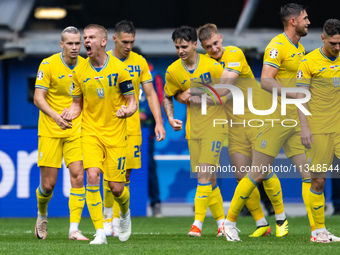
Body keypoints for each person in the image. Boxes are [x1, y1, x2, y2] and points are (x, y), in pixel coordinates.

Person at [223, 3, 315, 241]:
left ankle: (318, 232)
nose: (308, 22)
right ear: (293, 21)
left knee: (310, 175)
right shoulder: (277, 46)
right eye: (305, 18)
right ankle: (230, 223)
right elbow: (266, 81)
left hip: (294, 120)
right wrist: (294, 94)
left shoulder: (299, 48)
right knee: (257, 174)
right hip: (274, 120)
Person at [62, 24, 137, 244]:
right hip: (90, 132)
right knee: (92, 175)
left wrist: (126, 111)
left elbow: (132, 102)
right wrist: (68, 115)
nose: (86, 41)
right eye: (85, 37)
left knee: (116, 189)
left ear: (104, 42)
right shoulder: (79, 72)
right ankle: (100, 232)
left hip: (115, 134)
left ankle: (124, 213)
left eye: (91, 37)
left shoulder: (120, 69)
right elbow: (78, 105)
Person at [196, 23, 271, 237]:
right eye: (208, 46)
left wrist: (195, 92)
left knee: (260, 174)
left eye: (216, 43)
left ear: (221, 38)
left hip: (257, 119)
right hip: (235, 126)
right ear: (202, 47)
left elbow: (224, 89)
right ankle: (262, 224)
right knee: (241, 176)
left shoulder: (234, 53)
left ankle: (275, 218)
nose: (214, 49)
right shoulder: (207, 63)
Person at [163, 25, 229, 237]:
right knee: (210, 179)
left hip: (215, 127)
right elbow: (168, 95)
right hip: (194, 130)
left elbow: (230, 91)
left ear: (194, 44)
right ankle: (222, 224)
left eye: (184, 46)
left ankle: (197, 225)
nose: (180, 51)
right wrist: (171, 117)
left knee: (203, 174)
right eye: (177, 47)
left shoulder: (214, 67)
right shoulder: (173, 71)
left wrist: (198, 93)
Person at [102, 21, 165, 237]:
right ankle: (107, 219)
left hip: (132, 127)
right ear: (115, 39)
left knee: (124, 176)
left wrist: (158, 121)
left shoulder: (140, 62)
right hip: (107, 126)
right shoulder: (103, 60)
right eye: (125, 42)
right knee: (109, 175)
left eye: (132, 42)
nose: (129, 46)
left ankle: (121, 217)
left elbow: (150, 94)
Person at [33, 26, 88, 241]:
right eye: (70, 43)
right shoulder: (47, 65)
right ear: (62, 45)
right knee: (48, 185)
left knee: (78, 176)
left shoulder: (85, 66)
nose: (75, 47)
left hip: (76, 130)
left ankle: (74, 229)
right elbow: (39, 98)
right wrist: (56, 117)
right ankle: (42, 214)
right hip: (50, 129)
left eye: (77, 43)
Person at [297, 18, 340, 243]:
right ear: (323, 38)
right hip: (319, 130)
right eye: (333, 43)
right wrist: (304, 127)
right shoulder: (309, 62)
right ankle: (319, 231)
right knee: (319, 181)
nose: (338, 47)